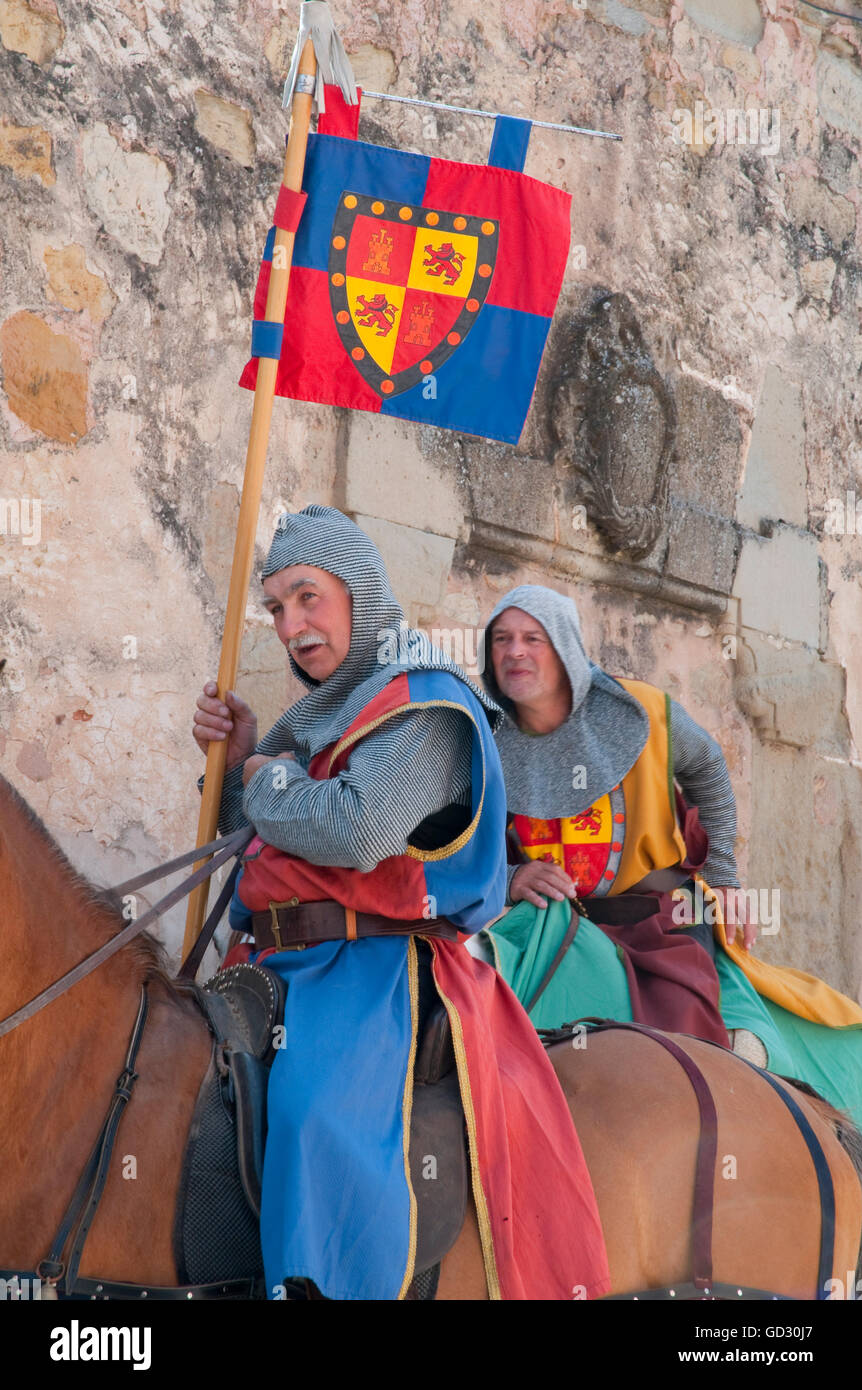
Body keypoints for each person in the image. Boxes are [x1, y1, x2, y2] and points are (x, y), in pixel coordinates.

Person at [192, 508, 609, 1302]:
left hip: (373, 969)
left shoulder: (426, 703)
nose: (291, 625)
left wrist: (263, 776)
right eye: (277, 608)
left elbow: (358, 826)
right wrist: (242, 762)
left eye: (307, 597)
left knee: (317, 1119)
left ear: (360, 591)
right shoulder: (312, 717)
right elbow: (261, 836)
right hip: (273, 960)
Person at [479, 584, 862, 1126]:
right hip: (557, 923)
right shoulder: (484, 738)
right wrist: (512, 875)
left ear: (564, 646)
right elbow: (463, 832)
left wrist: (726, 880)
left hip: (661, 919)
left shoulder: (642, 711)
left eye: (531, 638)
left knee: (722, 1054)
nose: (514, 652)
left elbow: (708, 768)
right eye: (502, 639)